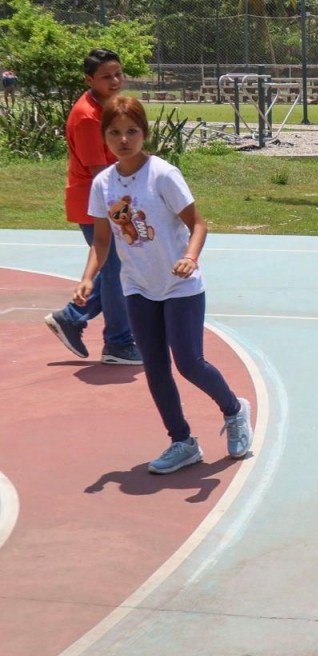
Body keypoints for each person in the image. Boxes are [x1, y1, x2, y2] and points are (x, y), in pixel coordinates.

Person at [70, 96, 253, 474]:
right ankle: (182, 441)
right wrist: (88, 277)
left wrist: (190, 256)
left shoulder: (163, 175)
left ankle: (234, 409)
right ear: (104, 136)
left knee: (189, 363)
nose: (124, 140)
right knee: (155, 366)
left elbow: (198, 223)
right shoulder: (103, 184)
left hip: (179, 285)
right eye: (115, 133)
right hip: (138, 286)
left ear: (145, 133)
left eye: (132, 131)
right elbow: (101, 240)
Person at [44, 48, 141, 365]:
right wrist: (125, 210)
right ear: (89, 80)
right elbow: (101, 173)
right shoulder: (87, 116)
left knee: (116, 268)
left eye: (118, 74)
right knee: (115, 272)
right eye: (106, 76)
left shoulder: (108, 106)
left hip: (111, 198)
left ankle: (71, 317)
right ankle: (118, 343)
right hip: (95, 202)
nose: (115, 81)